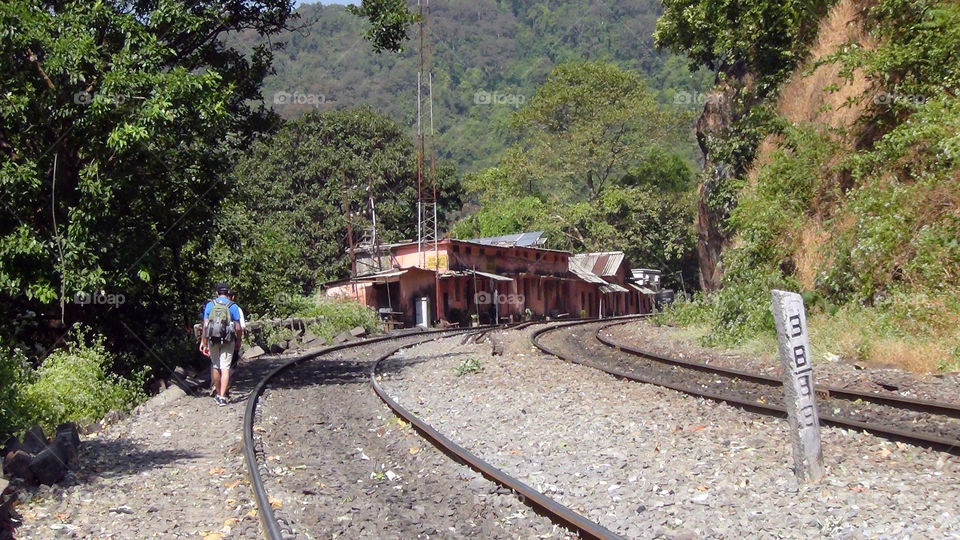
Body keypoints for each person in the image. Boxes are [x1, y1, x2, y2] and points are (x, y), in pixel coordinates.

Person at [199, 283, 243, 406]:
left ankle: (218, 394)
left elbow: (205, 325)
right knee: (225, 368)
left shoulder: (210, 305)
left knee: (215, 366)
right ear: (228, 293)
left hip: (213, 339)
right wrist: (238, 341)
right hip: (228, 340)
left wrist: (204, 341)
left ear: (217, 293)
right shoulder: (232, 306)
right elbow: (238, 328)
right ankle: (223, 397)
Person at [228, 289, 246, 373]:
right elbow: (241, 327)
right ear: (233, 297)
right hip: (230, 338)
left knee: (216, 364)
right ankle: (227, 384)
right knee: (231, 363)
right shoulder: (236, 308)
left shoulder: (213, 305)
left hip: (214, 338)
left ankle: (214, 384)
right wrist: (238, 341)